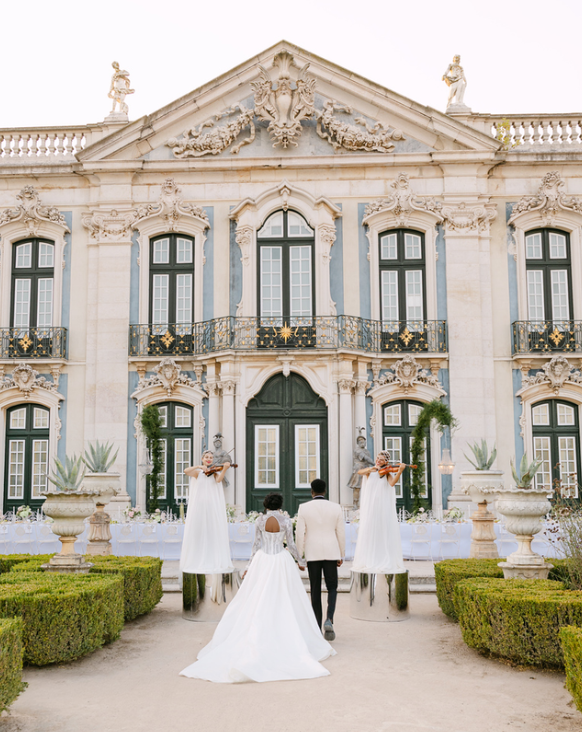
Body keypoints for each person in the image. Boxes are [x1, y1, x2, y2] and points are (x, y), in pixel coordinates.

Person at [180, 492, 335, 683]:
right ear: (280, 504)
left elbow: (256, 545)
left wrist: (248, 566)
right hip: (281, 560)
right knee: (286, 598)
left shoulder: (260, 521)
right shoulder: (286, 521)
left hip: (263, 560)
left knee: (257, 597)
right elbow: (292, 545)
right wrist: (300, 561)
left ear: (266, 504)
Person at [296, 478, 345, 641]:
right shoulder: (336, 507)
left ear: (312, 491)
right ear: (325, 491)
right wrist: (341, 554)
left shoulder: (304, 508)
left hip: (312, 553)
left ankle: (317, 627)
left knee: (315, 589)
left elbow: (300, 534)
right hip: (331, 551)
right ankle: (329, 619)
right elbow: (341, 533)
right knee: (332, 587)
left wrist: (300, 557)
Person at [179, 450, 233, 575]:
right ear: (202, 459)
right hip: (199, 507)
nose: (209, 459)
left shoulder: (214, 472)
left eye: (211, 457)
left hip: (211, 507)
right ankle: (198, 558)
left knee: (211, 531)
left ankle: (212, 558)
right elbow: (186, 471)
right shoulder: (198, 473)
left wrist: (224, 468)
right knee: (199, 532)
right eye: (206, 457)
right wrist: (199, 466)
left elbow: (219, 480)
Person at [351, 450, 406, 574]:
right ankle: (369, 558)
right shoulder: (371, 471)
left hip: (382, 506)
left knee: (381, 530)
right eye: (378, 458)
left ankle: (382, 557)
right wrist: (370, 469)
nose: (378, 460)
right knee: (370, 529)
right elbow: (359, 472)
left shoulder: (386, 473)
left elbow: (392, 483)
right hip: (370, 506)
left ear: (386, 462)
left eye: (381, 459)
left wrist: (399, 471)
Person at [347, 434, 375, 508]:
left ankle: (365, 503)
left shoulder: (366, 451)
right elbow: (366, 458)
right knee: (357, 487)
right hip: (359, 469)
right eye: (360, 442)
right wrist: (375, 464)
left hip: (367, 469)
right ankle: (355, 503)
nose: (363, 443)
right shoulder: (357, 450)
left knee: (367, 486)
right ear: (358, 443)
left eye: (364, 441)